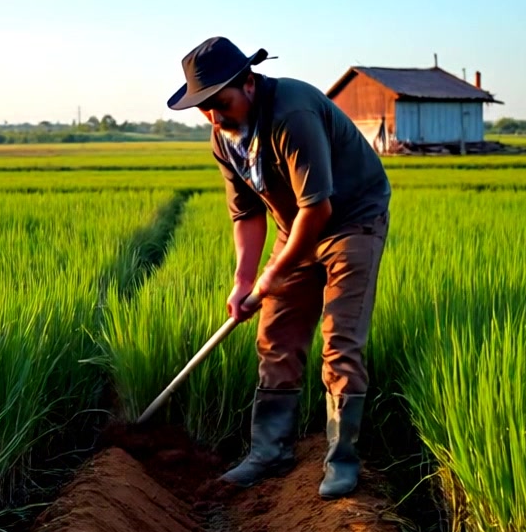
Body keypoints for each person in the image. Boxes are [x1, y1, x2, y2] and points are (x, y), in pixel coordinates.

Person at [167, 36, 391, 499]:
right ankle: (269, 452)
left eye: (219, 103)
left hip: (350, 221)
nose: (213, 116)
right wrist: (245, 280)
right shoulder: (222, 136)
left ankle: (342, 461)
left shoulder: (292, 113)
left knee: (341, 345)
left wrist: (273, 276)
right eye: (203, 108)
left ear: (247, 84)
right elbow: (246, 213)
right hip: (295, 228)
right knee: (275, 340)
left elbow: (319, 211)